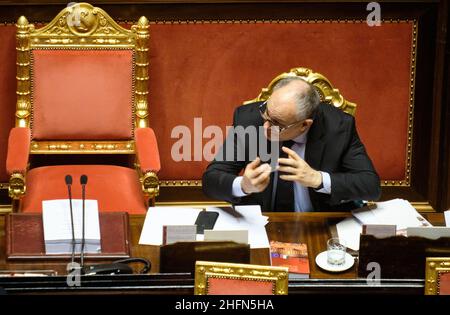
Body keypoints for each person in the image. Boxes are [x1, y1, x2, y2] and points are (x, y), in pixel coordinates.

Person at [202, 77, 381, 211]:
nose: (266, 127)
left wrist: (318, 179)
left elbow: (371, 186)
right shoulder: (248, 120)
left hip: (319, 225)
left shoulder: (339, 127)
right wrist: (244, 185)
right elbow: (211, 180)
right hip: (263, 223)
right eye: (266, 114)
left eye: (276, 124)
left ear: (304, 125)